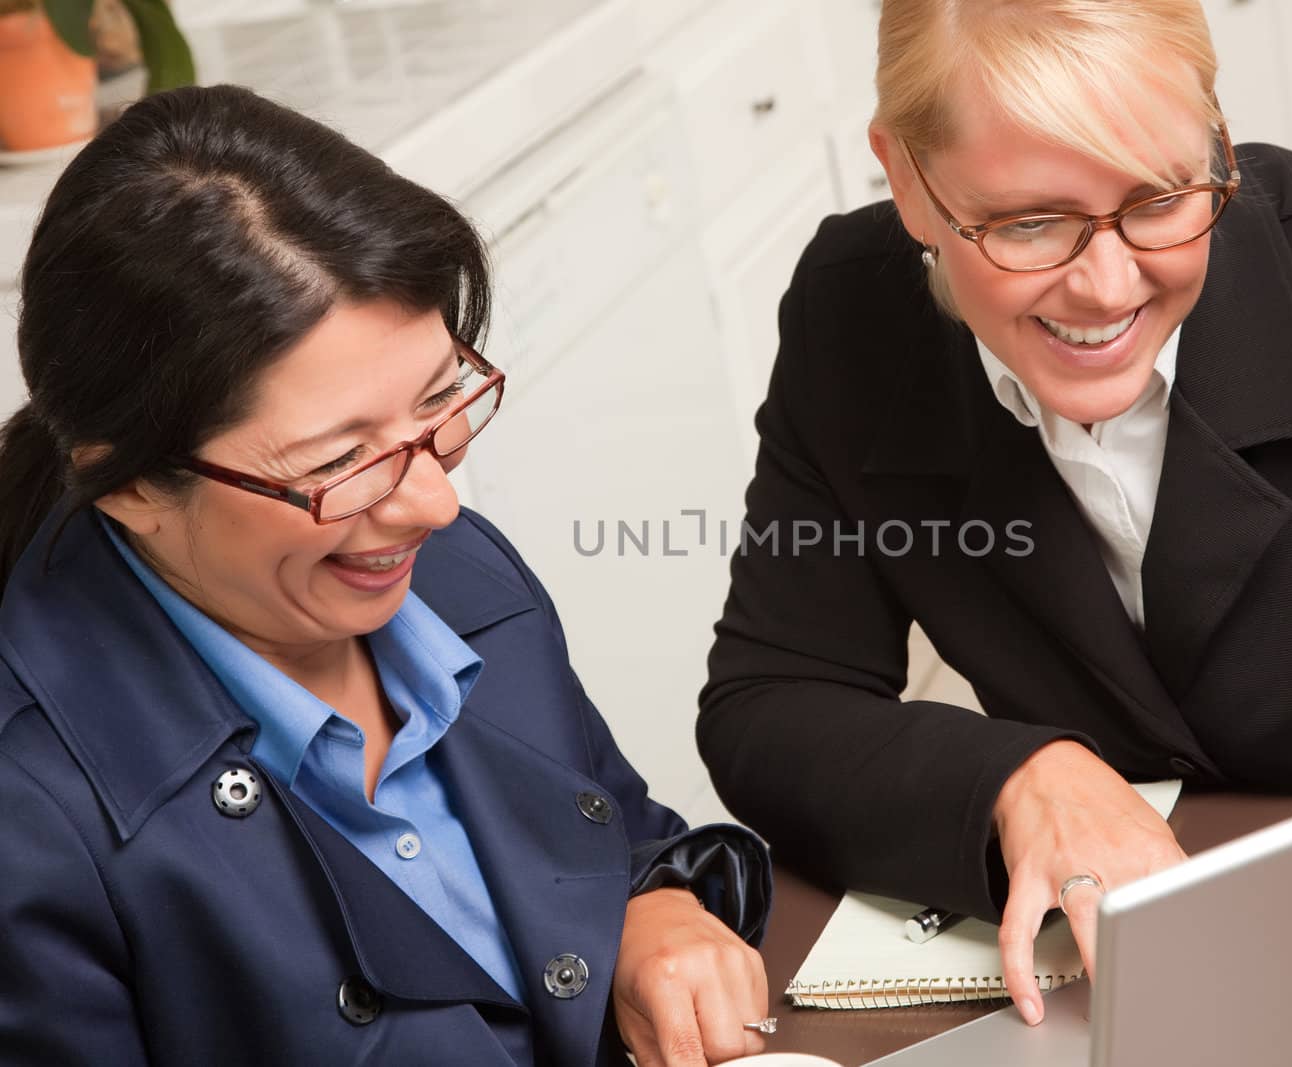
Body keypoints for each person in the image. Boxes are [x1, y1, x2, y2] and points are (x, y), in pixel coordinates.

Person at [697, 0, 1292, 1027]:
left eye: (1163, 198)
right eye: (1029, 221)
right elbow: (770, 698)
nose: (1106, 286)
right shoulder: (847, 306)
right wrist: (1019, 774)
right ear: (905, 178)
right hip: (1129, 981)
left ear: (1213, 136)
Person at [0, 84, 771, 1067]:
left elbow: (607, 830)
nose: (435, 505)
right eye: (338, 462)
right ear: (134, 479)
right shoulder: (31, 820)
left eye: (441, 399)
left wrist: (653, 905)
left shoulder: (451, 578)